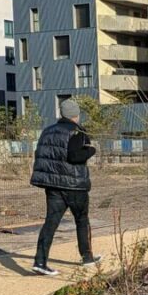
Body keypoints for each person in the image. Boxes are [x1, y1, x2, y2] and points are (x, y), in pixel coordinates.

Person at [29, 99, 101, 276]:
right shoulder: (77, 131)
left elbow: (41, 155)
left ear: (62, 114)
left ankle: (40, 261)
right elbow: (75, 156)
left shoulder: (47, 132)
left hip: (53, 186)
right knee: (82, 220)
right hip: (75, 185)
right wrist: (92, 150)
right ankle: (87, 257)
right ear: (76, 114)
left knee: (50, 223)